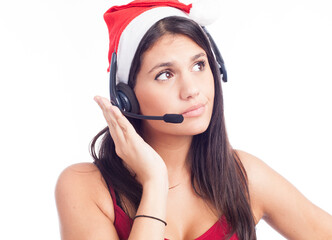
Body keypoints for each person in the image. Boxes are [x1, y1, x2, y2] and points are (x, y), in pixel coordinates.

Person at [55, 1, 332, 239]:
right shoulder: (84, 187)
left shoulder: (243, 176)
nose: (192, 90)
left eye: (199, 65)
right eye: (165, 74)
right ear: (126, 96)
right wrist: (155, 181)